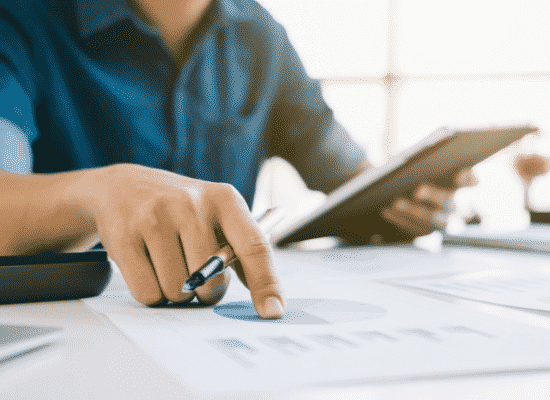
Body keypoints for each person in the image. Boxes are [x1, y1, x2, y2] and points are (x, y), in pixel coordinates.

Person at [0, 0, 472, 319]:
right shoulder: (20, 18)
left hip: (213, 330)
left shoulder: (259, 34)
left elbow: (352, 181)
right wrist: (99, 194)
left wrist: (405, 201)